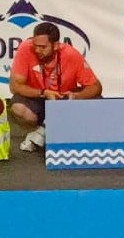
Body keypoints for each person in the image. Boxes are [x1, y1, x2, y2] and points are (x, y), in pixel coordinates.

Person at [7, 21, 103, 153]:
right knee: (18, 108)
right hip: (39, 97)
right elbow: (15, 87)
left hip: (64, 100)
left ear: (56, 45)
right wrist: (44, 92)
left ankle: (52, 132)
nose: (37, 50)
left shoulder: (71, 54)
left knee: (97, 101)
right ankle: (38, 131)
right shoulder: (26, 49)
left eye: (43, 47)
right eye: (35, 46)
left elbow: (96, 87)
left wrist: (75, 96)